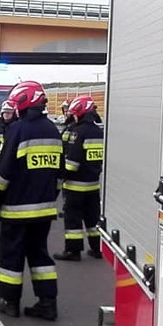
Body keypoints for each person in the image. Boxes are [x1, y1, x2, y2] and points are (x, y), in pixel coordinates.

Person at [0, 81, 62, 321]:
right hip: (44, 210)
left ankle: (10, 302)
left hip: (16, 210)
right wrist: (50, 197)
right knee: (40, 256)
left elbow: (3, 173)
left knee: (11, 256)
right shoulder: (53, 130)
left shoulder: (17, 130)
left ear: (21, 102)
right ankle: (47, 303)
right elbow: (60, 174)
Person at [53, 95, 104, 261]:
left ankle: (73, 251)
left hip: (75, 186)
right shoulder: (98, 131)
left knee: (73, 220)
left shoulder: (78, 132)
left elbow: (72, 163)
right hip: (93, 184)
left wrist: (61, 178)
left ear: (80, 114)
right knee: (92, 219)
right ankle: (96, 249)